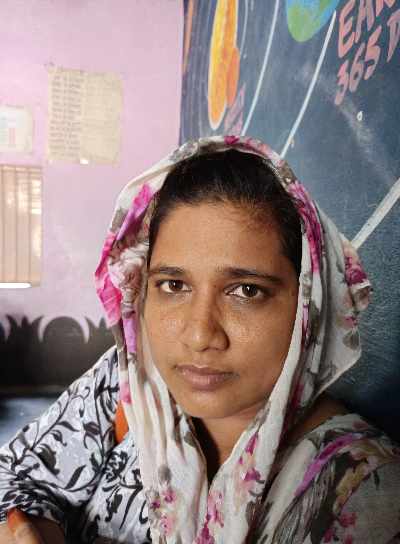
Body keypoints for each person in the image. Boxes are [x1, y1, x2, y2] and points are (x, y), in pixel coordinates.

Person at [0, 135, 399, 544]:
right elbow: (15, 473)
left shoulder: (361, 494)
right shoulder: (126, 382)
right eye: (174, 285)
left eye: (246, 291)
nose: (199, 335)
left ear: (308, 306)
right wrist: (29, 529)